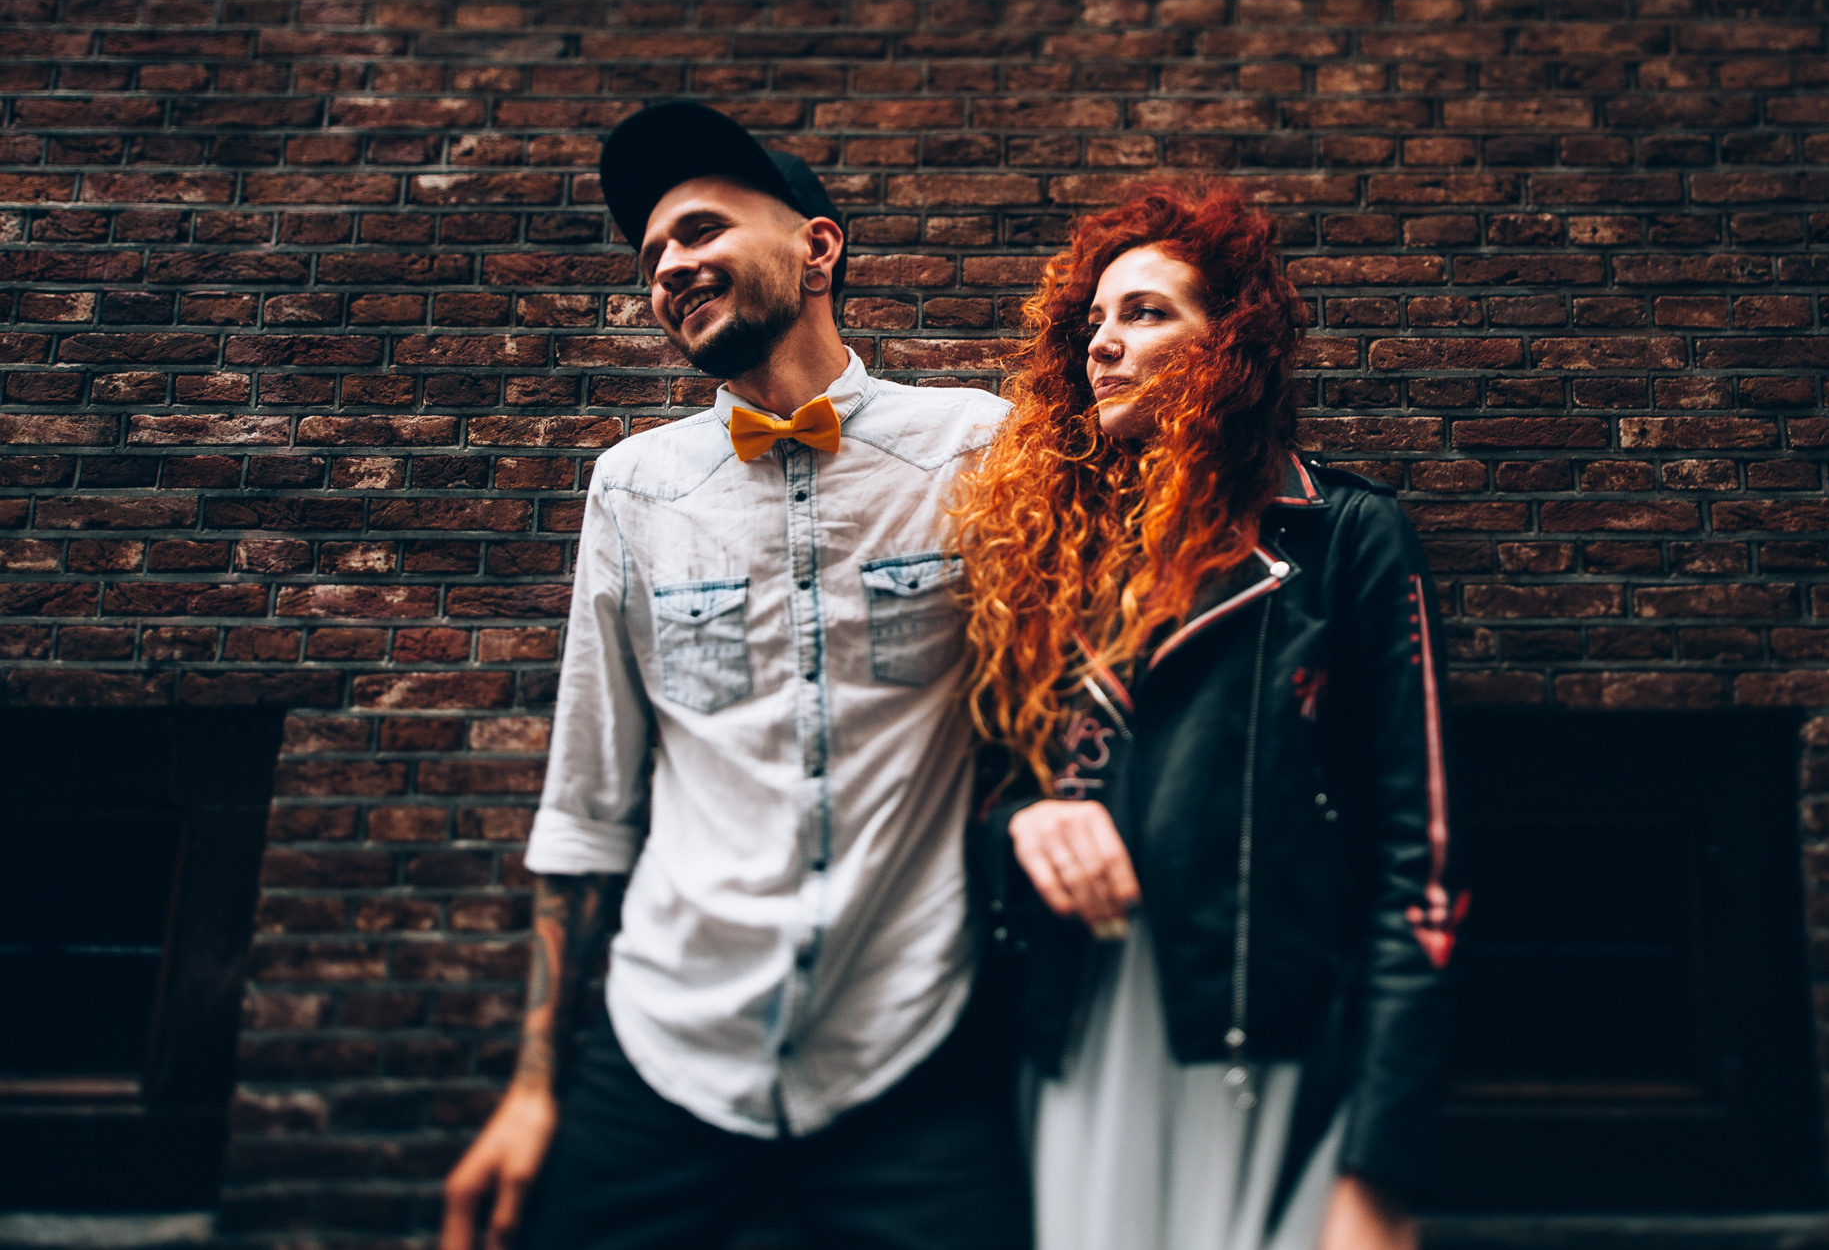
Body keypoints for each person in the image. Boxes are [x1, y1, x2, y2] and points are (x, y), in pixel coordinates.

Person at [440, 101, 1030, 1250]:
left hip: (911, 1048)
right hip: (664, 1054)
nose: (667, 267)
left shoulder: (974, 450)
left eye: (698, 230)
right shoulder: (634, 488)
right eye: (651, 253)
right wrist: (531, 1088)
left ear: (818, 248)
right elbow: (585, 806)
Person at [952, 181, 1465, 1250]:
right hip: (1077, 1033)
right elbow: (987, 789)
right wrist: (1022, 825)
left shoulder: (1344, 542)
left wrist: (1379, 1168)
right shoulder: (1047, 558)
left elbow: (1418, 863)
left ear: (1230, 339)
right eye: (1091, 320)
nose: (1102, 344)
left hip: (1263, 1044)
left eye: (1143, 312)